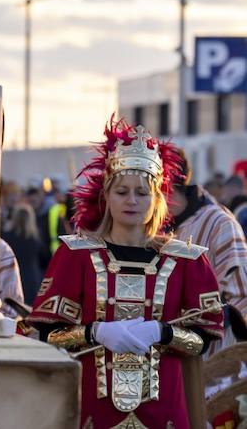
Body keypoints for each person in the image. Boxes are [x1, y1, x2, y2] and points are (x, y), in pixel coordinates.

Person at [28, 119, 222, 428]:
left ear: (157, 199)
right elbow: (45, 335)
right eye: (122, 191)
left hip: (165, 415)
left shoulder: (188, 261)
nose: (131, 201)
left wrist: (163, 333)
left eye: (142, 193)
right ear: (106, 195)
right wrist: (96, 333)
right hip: (91, 411)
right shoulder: (76, 255)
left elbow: (204, 338)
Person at [167, 146, 247, 354]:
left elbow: (241, 300)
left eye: (141, 188)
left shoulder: (219, 224)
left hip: (213, 365)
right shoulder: (146, 226)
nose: (133, 199)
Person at [0, 203, 45, 304]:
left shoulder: (7, 237)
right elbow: (44, 259)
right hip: (32, 279)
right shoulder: (36, 239)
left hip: (12, 277)